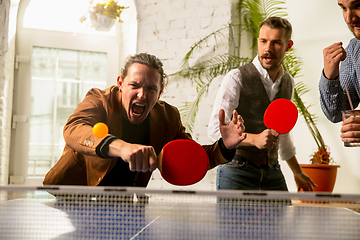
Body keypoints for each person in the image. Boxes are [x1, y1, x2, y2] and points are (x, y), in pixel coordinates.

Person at [43, 53, 246, 187]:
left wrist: (225, 146)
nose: (142, 94)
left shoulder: (168, 118)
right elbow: (74, 129)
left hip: (123, 204)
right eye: (135, 85)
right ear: (120, 83)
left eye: (151, 88)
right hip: (73, 196)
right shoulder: (99, 100)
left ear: (160, 92)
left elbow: (194, 159)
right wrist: (122, 147)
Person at [208, 17, 316, 191]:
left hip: (272, 171)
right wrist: (254, 139)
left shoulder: (288, 82)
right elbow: (214, 131)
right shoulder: (236, 78)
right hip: (236, 170)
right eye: (263, 41)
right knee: (232, 220)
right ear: (257, 42)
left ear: (288, 46)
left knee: (282, 219)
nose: (268, 49)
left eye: (276, 43)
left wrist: (297, 172)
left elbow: (283, 133)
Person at [319, 0, 360, 144]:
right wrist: (330, 76)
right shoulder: (354, 51)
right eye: (343, 8)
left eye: (358, 6)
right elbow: (336, 113)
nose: (349, 18)